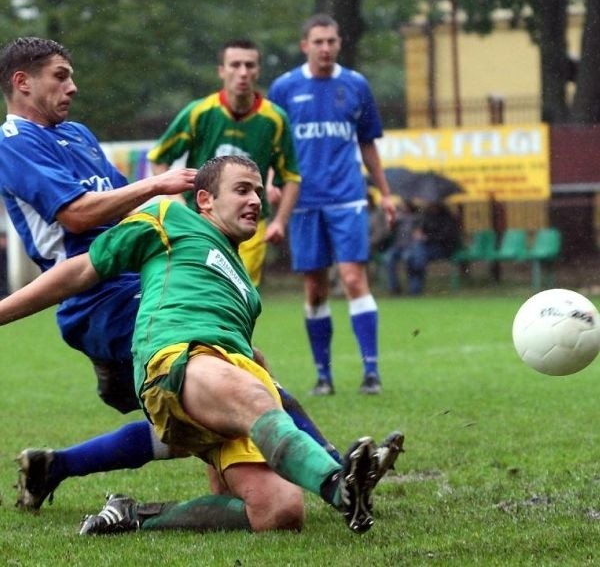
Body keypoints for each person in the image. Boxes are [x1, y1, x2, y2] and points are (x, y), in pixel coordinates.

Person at [0, 37, 338, 512]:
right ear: (22, 82)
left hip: (136, 280)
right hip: (97, 297)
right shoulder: (12, 143)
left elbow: (129, 210)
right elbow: (77, 215)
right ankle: (336, 466)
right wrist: (159, 184)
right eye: (60, 76)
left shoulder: (77, 135)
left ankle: (58, 465)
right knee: (231, 379)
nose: (73, 86)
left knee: (207, 408)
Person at [0, 155, 403, 535]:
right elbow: (80, 270)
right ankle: (338, 485)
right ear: (205, 200)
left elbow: (245, 355)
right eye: (242, 189)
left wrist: (259, 370)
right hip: (176, 360)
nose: (255, 200)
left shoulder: (246, 289)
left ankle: (133, 516)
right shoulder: (168, 217)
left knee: (280, 510)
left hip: (223, 384)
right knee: (253, 392)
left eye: (259, 192)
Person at [268, 14, 396, 396]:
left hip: (347, 197)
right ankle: (323, 376)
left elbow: (367, 142)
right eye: (318, 41)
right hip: (304, 201)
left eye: (331, 41)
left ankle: (371, 371)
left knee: (354, 278)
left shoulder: (356, 85)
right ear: (304, 45)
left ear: (339, 44)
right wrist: (272, 183)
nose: (325, 48)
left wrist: (385, 192)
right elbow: (274, 140)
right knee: (315, 288)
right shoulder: (285, 87)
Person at [147, 39, 300, 288]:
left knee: (239, 296)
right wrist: (177, 203)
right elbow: (159, 158)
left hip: (250, 223)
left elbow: (292, 176)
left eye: (249, 65)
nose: (242, 72)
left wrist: (280, 221)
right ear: (222, 70)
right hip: (200, 220)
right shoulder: (200, 112)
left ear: (258, 71)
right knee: (199, 291)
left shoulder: (275, 119)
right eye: (235, 64)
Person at [403, 200, 461, 295]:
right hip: (426, 248)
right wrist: (418, 233)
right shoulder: (426, 216)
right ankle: (415, 288)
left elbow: (446, 237)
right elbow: (422, 230)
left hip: (443, 248)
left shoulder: (447, 218)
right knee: (415, 255)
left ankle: (415, 289)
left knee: (416, 257)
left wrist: (427, 237)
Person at [383, 199, 418, 295]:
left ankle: (413, 289)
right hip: (398, 246)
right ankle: (394, 287)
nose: (403, 207)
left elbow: (418, 234)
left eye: (404, 205)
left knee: (408, 260)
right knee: (388, 259)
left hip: (411, 247)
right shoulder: (398, 218)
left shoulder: (416, 219)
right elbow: (388, 231)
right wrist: (391, 220)